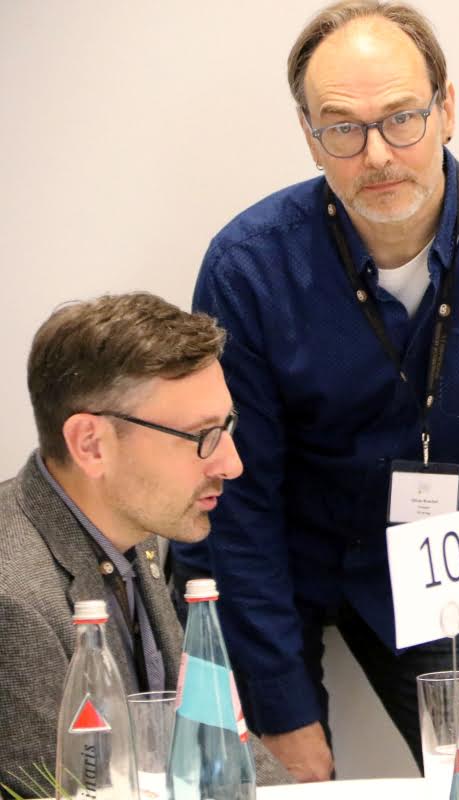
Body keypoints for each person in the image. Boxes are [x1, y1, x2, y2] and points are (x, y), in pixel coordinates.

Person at [169, 0, 459, 780]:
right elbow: (238, 498)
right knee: (289, 781)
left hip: (428, 555)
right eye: (343, 128)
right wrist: (283, 709)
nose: (377, 155)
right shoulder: (248, 266)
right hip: (272, 558)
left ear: (447, 109)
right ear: (309, 135)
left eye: (402, 119)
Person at [0, 293, 290, 795]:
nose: (231, 463)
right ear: (91, 444)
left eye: (226, 427)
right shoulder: (14, 602)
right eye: (201, 436)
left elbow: (214, 736)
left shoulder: (136, 530)